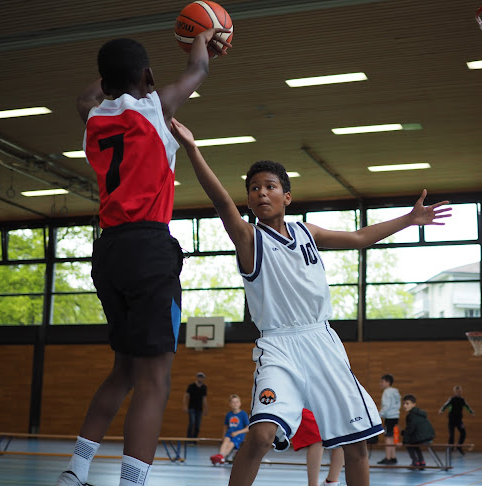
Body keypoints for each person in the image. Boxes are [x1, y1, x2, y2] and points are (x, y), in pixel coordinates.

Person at [170, 118, 452, 486]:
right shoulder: (248, 238)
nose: (261, 193)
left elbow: (359, 236)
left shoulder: (308, 231)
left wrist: (409, 219)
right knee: (260, 437)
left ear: (286, 196)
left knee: (357, 445)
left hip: (322, 341)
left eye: (270, 186)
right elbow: (222, 202)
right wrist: (193, 149)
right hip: (278, 346)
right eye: (254, 189)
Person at [55, 29, 231, 486]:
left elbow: (87, 94)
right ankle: (132, 482)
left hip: (108, 250)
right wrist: (203, 36)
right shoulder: (156, 107)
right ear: (148, 78)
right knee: (156, 379)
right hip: (149, 248)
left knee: (125, 370)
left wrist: (119, 73)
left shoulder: (92, 117)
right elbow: (200, 69)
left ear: (106, 82)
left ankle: (76, 470)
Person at [291, 409, 345, 486]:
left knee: (343, 433)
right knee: (316, 437)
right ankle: (313, 484)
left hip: (327, 402)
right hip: (304, 404)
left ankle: (332, 481)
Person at [210, 394, 250, 465]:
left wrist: (237, 433)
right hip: (230, 433)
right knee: (225, 441)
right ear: (230, 404)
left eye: (237, 402)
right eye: (233, 402)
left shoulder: (243, 414)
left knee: (231, 444)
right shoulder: (229, 414)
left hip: (238, 435)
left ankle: (221, 457)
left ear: (240, 403)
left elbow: (248, 428)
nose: (235, 404)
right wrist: (223, 435)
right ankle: (220, 455)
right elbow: (225, 426)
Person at [401, 394, 435, 469]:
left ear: (413, 404)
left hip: (423, 436)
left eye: (407, 403)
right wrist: (404, 433)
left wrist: (403, 442)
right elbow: (411, 429)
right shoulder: (418, 413)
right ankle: (421, 461)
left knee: (408, 443)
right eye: (404, 403)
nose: (405, 406)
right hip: (428, 435)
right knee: (414, 442)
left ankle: (415, 461)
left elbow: (410, 429)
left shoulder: (412, 415)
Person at [438, 385, 475, 455]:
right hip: (452, 420)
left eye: (459, 391)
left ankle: (459, 446)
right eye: (457, 391)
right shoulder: (452, 399)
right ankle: (450, 449)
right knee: (451, 435)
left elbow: (467, 406)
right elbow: (446, 404)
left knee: (463, 433)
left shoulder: (462, 400)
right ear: (454, 392)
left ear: (461, 392)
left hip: (459, 421)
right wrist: (442, 410)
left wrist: (471, 412)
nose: (458, 393)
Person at [377, 373, 401, 465]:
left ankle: (388, 457)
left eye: (382, 381)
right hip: (395, 416)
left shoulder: (387, 392)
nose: (381, 383)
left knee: (388, 437)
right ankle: (393, 457)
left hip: (389, 417)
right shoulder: (396, 392)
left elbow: (386, 405)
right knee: (392, 437)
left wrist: (379, 415)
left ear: (388, 382)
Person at [183, 371, 208, 439]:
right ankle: (189, 438)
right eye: (199, 377)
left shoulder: (204, 387)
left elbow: (204, 398)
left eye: (202, 377)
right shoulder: (191, 386)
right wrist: (185, 406)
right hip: (191, 408)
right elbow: (186, 396)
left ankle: (194, 439)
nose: (200, 379)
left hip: (199, 408)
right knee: (192, 422)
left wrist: (206, 408)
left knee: (197, 425)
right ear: (197, 378)